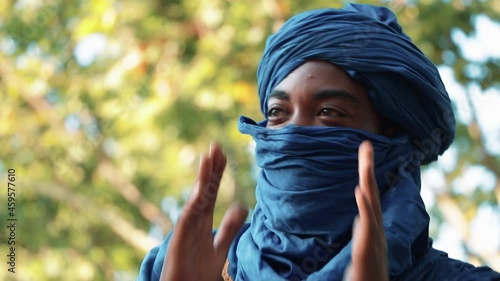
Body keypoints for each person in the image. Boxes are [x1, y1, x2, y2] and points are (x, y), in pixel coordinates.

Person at [138, 3, 500, 281]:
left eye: (329, 112)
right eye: (278, 112)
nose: (294, 132)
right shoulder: (189, 263)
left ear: (391, 139)